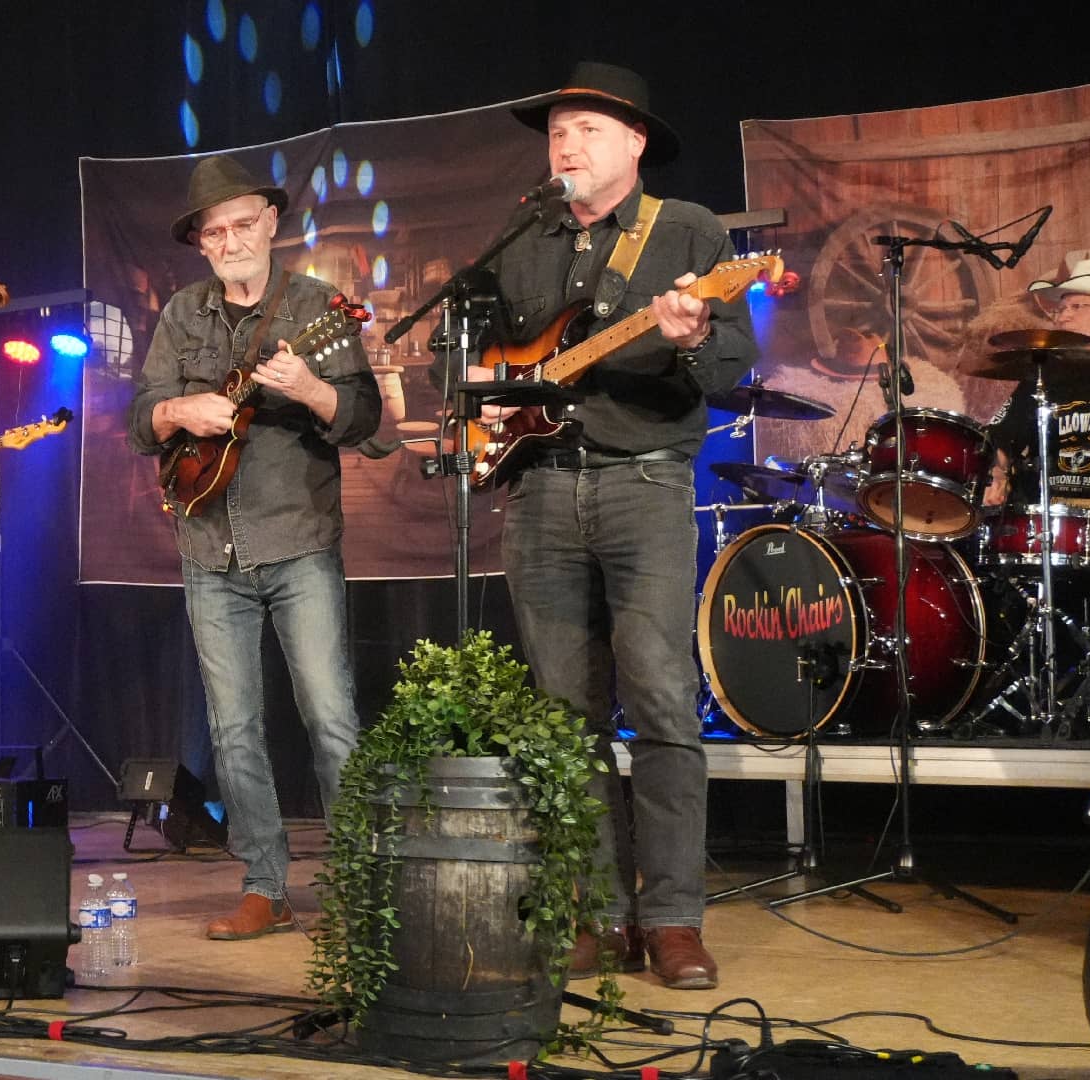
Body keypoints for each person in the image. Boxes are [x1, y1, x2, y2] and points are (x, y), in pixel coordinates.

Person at [473, 62, 757, 989]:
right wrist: (481, 405)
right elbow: (492, 360)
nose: (566, 143)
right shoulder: (523, 240)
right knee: (563, 718)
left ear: (635, 143)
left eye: (588, 129)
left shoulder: (688, 232)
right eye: (557, 130)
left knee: (665, 703)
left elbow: (727, 368)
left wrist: (690, 335)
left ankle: (672, 918)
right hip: (542, 490)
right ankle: (592, 910)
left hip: (645, 486)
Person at [128, 155, 381, 940]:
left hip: (298, 540)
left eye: (244, 224)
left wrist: (308, 389)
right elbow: (141, 418)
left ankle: (364, 888)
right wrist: (180, 409)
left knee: (330, 718)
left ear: (272, 224)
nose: (231, 239)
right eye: (216, 231)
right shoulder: (182, 314)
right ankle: (263, 884)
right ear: (201, 244)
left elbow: (367, 422)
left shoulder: (316, 308)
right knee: (234, 728)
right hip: (207, 548)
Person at [982, 255, 1090, 728]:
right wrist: (995, 477)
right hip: (1045, 526)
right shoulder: (1043, 378)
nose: (1062, 315)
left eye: (1076, 305)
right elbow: (1001, 443)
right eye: (1060, 308)